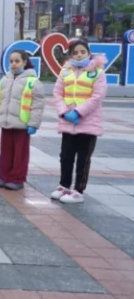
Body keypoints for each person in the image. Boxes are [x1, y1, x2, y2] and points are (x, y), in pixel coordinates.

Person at [50, 39, 107, 203]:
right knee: (65, 156)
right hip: (68, 122)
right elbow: (57, 92)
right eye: (75, 52)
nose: (79, 55)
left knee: (83, 159)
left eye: (82, 51)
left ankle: (78, 190)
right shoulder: (65, 71)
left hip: (87, 123)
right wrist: (64, 111)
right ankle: (64, 185)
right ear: (70, 55)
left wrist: (78, 112)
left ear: (88, 53)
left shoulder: (97, 72)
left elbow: (97, 97)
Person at [0, 50, 45, 190]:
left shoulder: (32, 81)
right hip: (7, 123)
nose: (13, 64)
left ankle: (17, 178)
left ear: (24, 62)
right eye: (11, 61)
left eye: (17, 61)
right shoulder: (5, 79)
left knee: (20, 153)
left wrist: (33, 124)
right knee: (6, 151)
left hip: (22, 124)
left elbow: (38, 105)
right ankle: (4, 176)